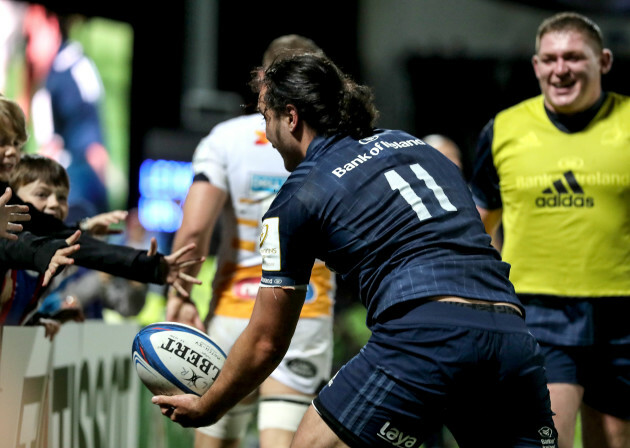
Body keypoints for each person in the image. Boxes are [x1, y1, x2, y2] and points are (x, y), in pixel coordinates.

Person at [153, 54, 558, 447]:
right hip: (510, 334)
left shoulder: (297, 197)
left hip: (423, 334)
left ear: (291, 117)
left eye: (267, 119)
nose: (268, 136)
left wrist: (209, 406)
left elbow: (266, 340)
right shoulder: (417, 147)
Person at [469, 12, 630, 448]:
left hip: (622, 312)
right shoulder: (504, 129)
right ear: (537, 65)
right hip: (538, 311)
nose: (561, 69)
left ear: (604, 61)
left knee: (615, 438)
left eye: (574, 57)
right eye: (550, 58)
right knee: (545, 438)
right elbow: (476, 226)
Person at [165, 35, 335, 448]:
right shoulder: (333, 143)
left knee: (215, 437)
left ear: (265, 80)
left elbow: (193, 231)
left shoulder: (225, 139)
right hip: (304, 311)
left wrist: (180, 294)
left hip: (234, 313)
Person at [21, 4, 110, 222]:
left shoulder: (63, 78)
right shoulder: (68, 65)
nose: (29, 52)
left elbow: (92, 149)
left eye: (32, 38)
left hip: (76, 189)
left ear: (52, 27)